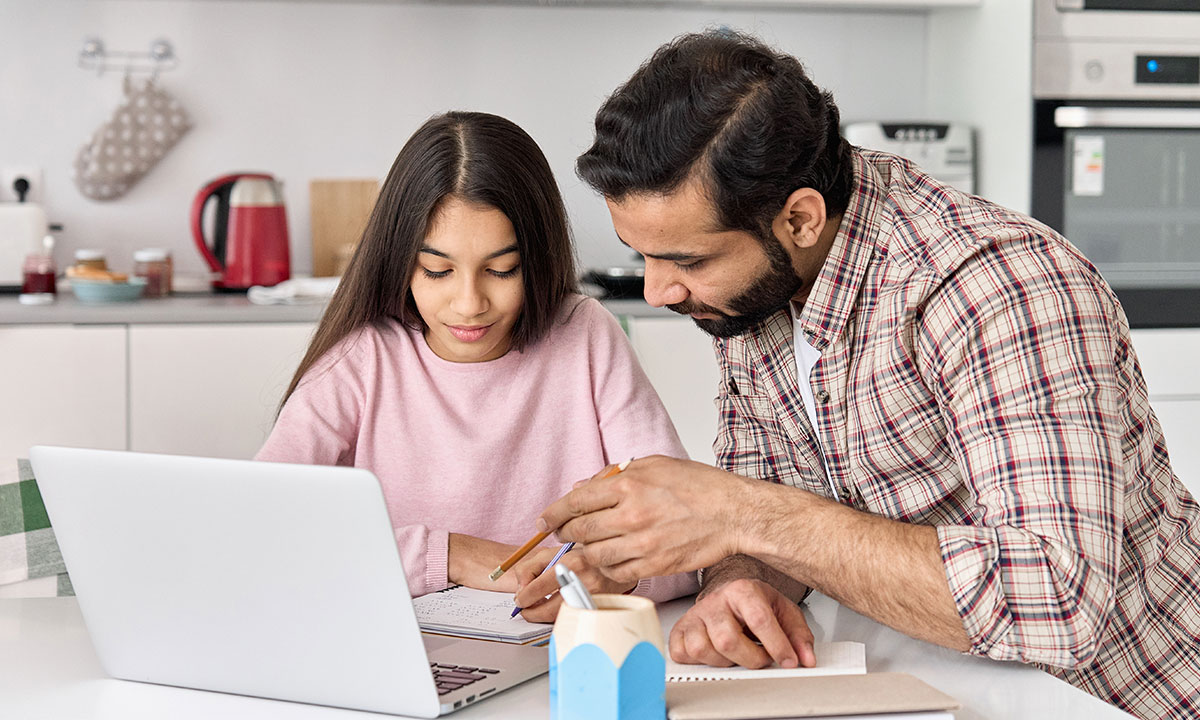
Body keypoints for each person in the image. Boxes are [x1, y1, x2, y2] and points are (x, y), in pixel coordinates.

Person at [530, 31, 1200, 720]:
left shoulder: (998, 287)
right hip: (938, 686)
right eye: (642, 256)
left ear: (800, 218)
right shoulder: (754, 289)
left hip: (1125, 699)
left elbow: (1056, 604)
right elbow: (783, 508)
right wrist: (738, 584)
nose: (658, 291)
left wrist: (734, 513)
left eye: (688, 261)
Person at [257, 111, 697, 619]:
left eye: (501, 269)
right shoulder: (364, 358)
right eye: (437, 270)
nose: (469, 303)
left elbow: (686, 536)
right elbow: (263, 528)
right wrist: (448, 555)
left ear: (537, 260)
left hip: (559, 650)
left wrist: (614, 573)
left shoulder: (584, 333)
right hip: (406, 654)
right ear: (400, 262)